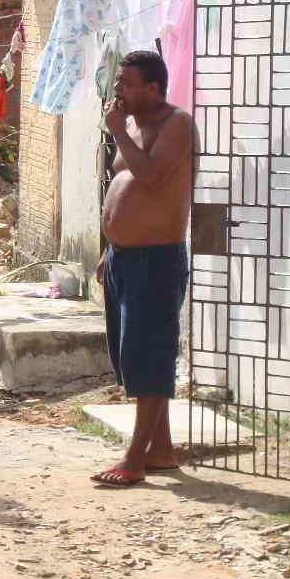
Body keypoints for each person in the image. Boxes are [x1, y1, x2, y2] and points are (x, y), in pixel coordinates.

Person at [92, 51, 197, 488]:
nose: (118, 90)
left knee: (150, 354)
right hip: (123, 258)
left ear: (153, 88)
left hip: (156, 259)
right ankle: (162, 450)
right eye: (118, 82)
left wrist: (117, 131)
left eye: (127, 83)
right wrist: (110, 248)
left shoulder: (177, 124)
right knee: (132, 355)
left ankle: (134, 459)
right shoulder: (132, 123)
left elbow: (151, 176)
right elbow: (125, 184)